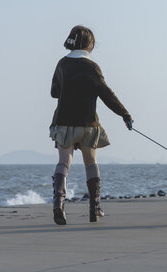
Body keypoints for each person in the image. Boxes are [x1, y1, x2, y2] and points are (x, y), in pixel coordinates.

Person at [49, 25, 133, 225]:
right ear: (89, 44)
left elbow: (54, 92)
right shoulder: (92, 67)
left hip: (64, 122)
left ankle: (58, 204)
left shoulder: (62, 64)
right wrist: (125, 114)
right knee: (91, 163)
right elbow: (106, 94)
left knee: (64, 163)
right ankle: (94, 208)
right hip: (88, 123)